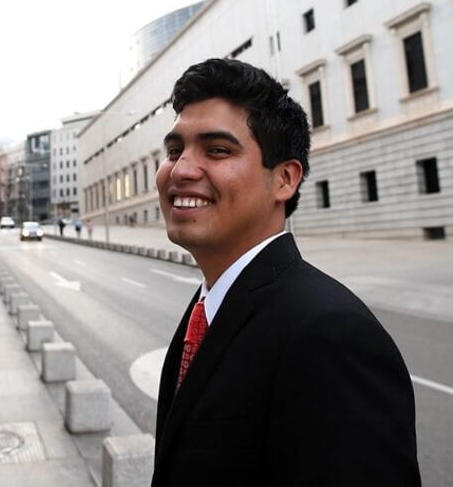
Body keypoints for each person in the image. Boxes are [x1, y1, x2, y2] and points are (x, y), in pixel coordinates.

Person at [152, 59, 420, 486]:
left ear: (284, 180)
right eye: (174, 151)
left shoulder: (330, 335)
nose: (181, 169)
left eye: (217, 150)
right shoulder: (210, 305)